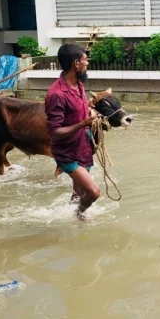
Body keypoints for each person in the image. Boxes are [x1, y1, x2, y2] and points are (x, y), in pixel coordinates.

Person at [45, 44, 101, 220]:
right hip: (66, 152)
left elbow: (78, 112)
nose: (87, 64)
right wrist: (83, 123)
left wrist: (89, 110)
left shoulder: (79, 85)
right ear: (76, 63)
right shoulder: (56, 94)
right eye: (85, 60)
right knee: (93, 192)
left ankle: (70, 216)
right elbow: (54, 132)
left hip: (82, 145)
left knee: (78, 190)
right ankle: (80, 213)